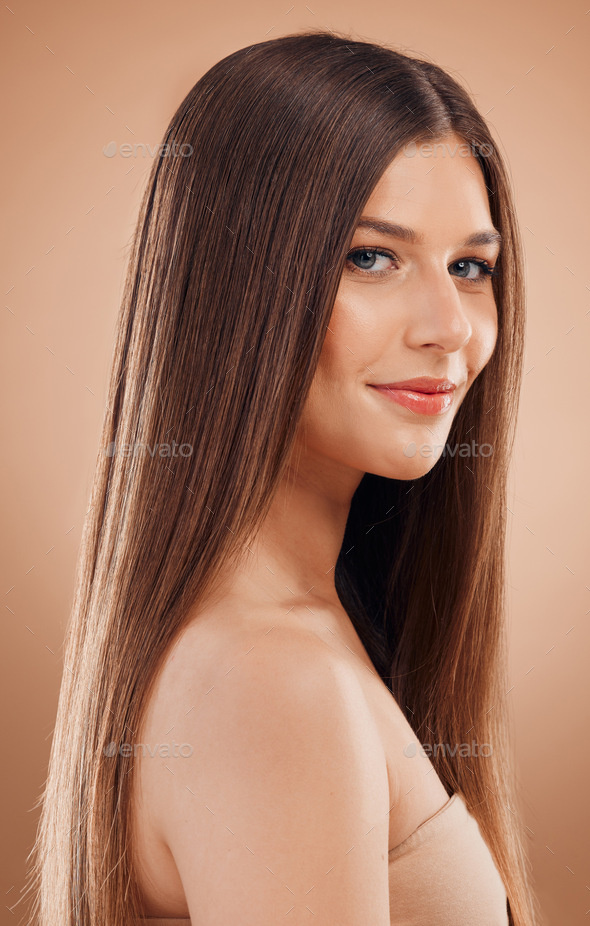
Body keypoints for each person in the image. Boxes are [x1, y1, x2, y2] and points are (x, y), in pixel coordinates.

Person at [26, 29, 540, 926]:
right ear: (239, 287)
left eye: (469, 267)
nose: (449, 325)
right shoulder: (276, 686)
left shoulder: (290, 636)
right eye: (371, 257)